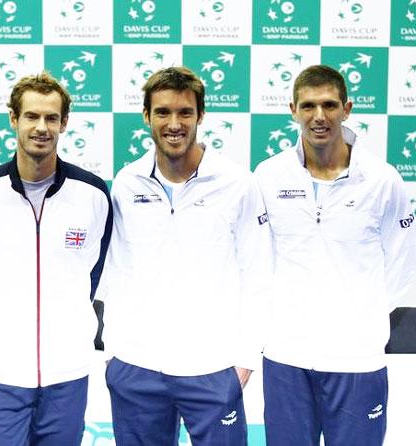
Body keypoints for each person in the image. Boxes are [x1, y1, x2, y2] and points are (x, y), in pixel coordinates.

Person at [98, 66, 272, 445]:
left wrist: (244, 361)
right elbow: (116, 272)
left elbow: (259, 273)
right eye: (162, 112)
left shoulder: (237, 183)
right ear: (146, 116)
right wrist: (115, 353)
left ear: (200, 116)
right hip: (136, 367)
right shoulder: (128, 182)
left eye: (184, 113)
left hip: (212, 367)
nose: (174, 124)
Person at [254, 64, 416, 446]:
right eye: (308, 106)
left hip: (356, 359)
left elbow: (401, 266)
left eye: (329, 105)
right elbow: (258, 259)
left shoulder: (382, 180)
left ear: (347, 108)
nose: (319, 116)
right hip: (286, 356)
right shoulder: (268, 176)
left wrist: (358, 319)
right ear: (292, 110)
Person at [0, 71, 112, 445]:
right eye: (32, 116)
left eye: (51, 118)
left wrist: (69, 331)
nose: (42, 127)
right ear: (13, 119)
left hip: (66, 373)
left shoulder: (92, 194)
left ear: (64, 123)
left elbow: (92, 272)